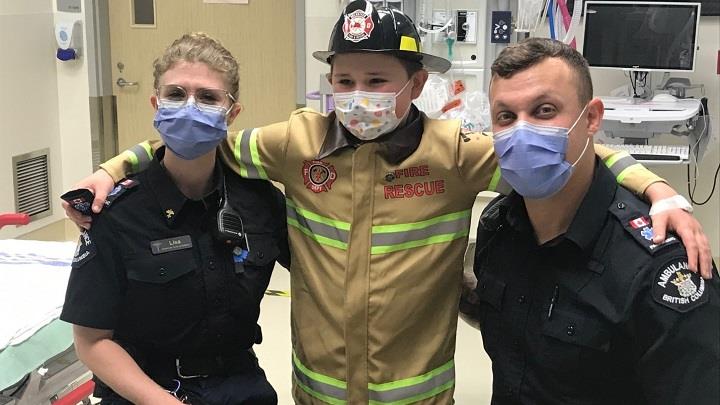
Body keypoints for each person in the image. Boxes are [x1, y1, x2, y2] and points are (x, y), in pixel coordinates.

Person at [64, 2, 711, 403]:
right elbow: (204, 144)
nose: (359, 95)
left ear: (416, 85)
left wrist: (654, 187)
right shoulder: (297, 142)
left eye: (378, 81)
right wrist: (111, 168)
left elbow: (558, 148)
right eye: (344, 81)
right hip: (317, 392)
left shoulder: (454, 152)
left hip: (418, 396)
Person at [463, 38, 719, 404]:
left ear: (591, 118)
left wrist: (658, 189)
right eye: (506, 116)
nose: (522, 132)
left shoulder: (657, 271)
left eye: (545, 110)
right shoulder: (498, 228)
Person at [60, 33, 287, 405]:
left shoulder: (259, 201)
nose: (190, 107)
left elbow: (321, 278)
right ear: (155, 104)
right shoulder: (118, 211)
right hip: (146, 388)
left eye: (209, 97)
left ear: (232, 114)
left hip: (239, 383)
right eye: (176, 94)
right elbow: (92, 342)